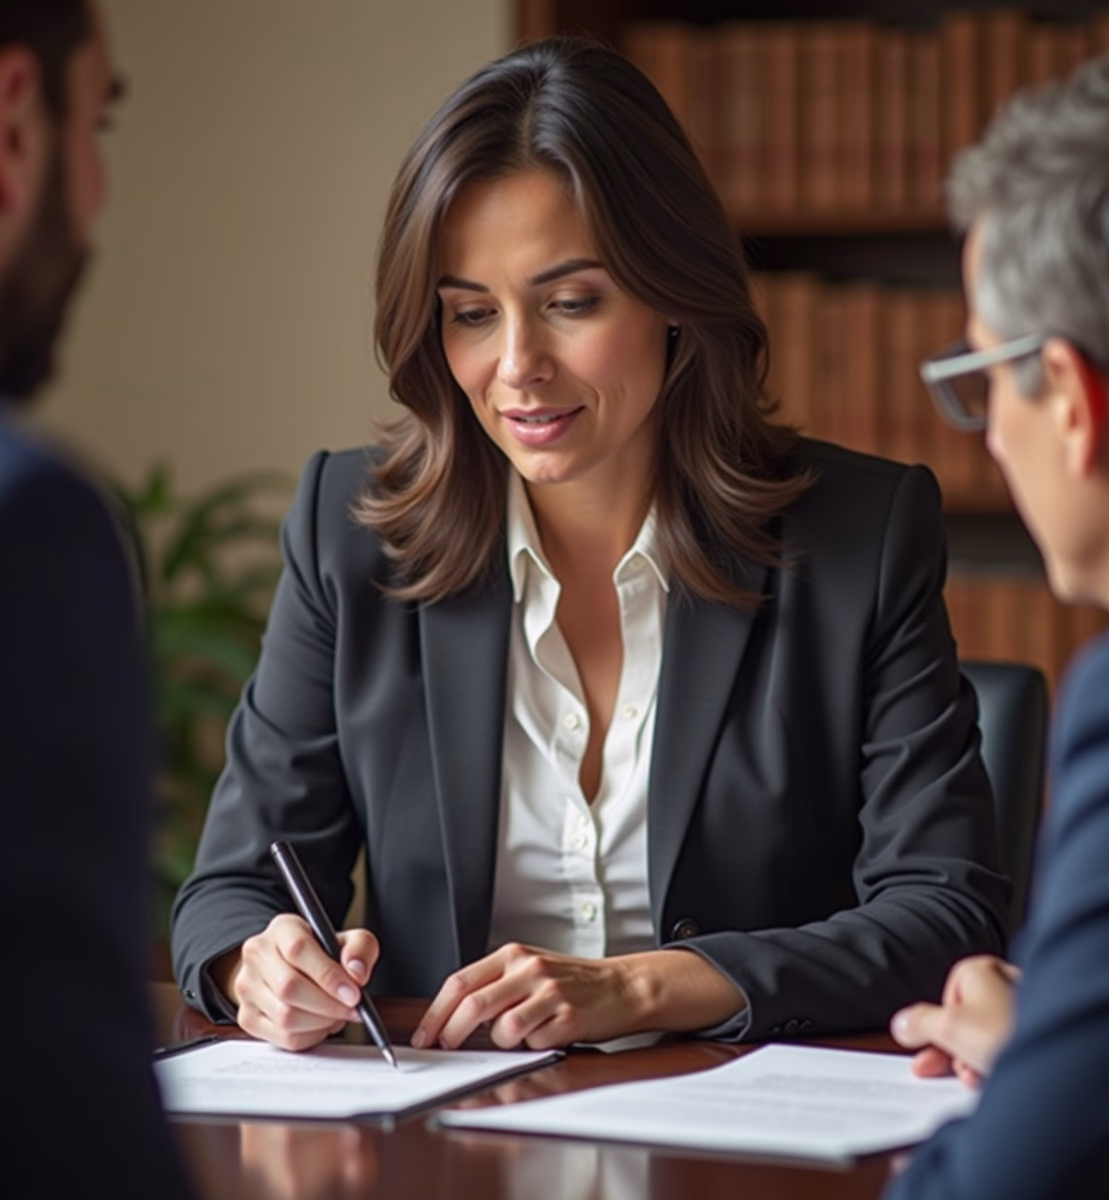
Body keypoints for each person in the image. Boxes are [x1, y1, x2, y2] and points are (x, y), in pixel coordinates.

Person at [171, 36, 1008, 1055]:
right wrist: (256, 967)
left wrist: (649, 988)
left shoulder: (858, 537)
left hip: (745, 1150)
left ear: (672, 297)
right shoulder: (351, 533)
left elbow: (946, 916)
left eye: (572, 303)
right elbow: (229, 890)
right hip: (447, 1140)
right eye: (472, 315)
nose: (517, 366)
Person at [885, 46, 1109, 1199]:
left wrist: (1040, 1085)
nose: (989, 433)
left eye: (985, 378)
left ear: (1066, 396)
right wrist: (1071, 1046)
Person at [0, 2, 195, 1197]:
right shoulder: (29, 527)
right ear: (16, 116)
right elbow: (64, 1126)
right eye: (98, 128)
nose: (100, 194)